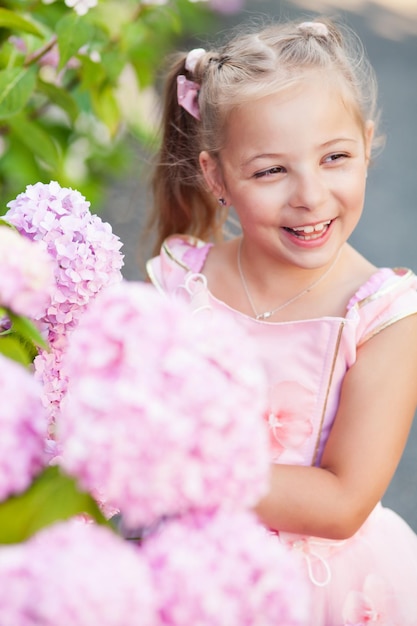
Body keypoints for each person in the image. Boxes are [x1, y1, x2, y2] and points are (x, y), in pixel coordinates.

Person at [146, 17, 417, 624]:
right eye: (271, 170)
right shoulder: (177, 282)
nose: (310, 195)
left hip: (315, 591)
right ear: (216, 176)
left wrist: (174, 465)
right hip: (184, 573)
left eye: (335, 158)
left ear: (367, 145)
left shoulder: (381, 316)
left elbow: (344, 501)